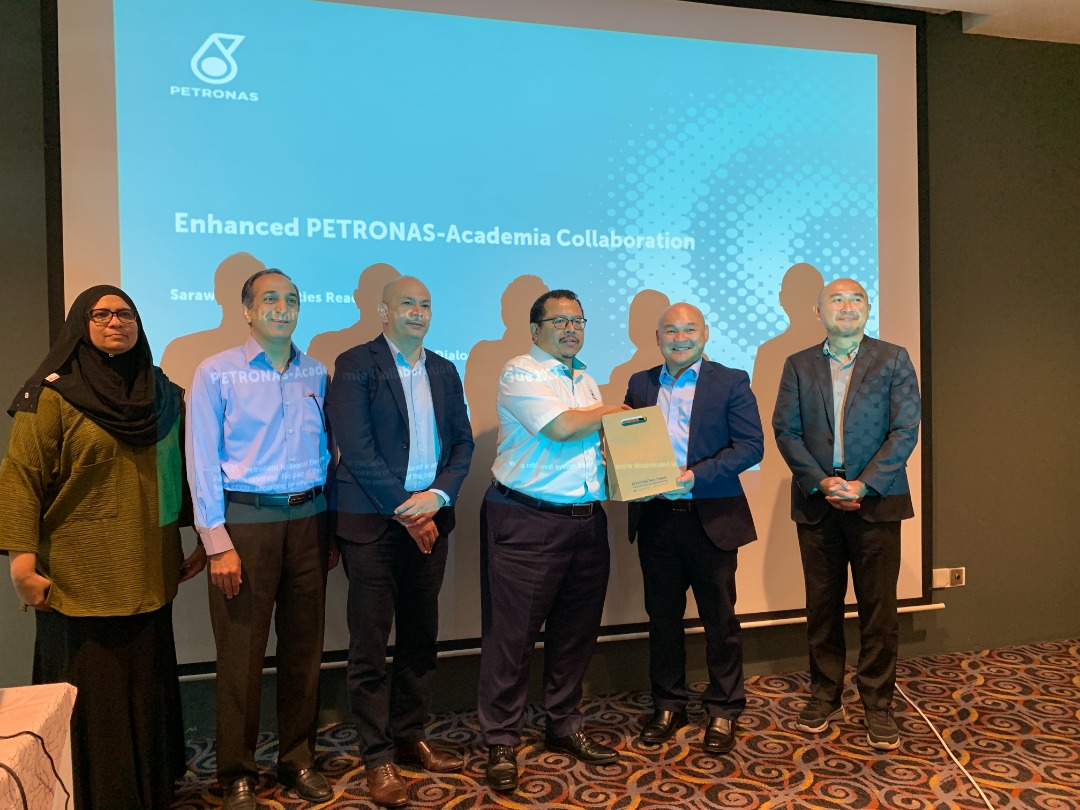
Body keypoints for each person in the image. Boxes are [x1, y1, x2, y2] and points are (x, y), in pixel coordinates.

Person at [0, 285, 206, 809]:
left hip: (150, 570)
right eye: (101, 314)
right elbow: (21, 477)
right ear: (80, 325)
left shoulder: (163, 393)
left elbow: (182, 471)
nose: (116, 322)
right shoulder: (52, 396)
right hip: (79, 578)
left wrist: (201, 536)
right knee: (96, 700)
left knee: (145, 690)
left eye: (126, 313)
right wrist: (21, 562)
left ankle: (149, 791)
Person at [187, 269, 334, 809]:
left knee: (304, 651)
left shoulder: (316, 372)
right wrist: (216, 543)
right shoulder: (216, 371)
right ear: (247, 310)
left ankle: (297, 759)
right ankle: (237, 773)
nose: (282, 307)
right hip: (245, 527)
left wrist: (329, 527)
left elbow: (327, 453)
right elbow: (202, 460)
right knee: (241, 657)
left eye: (291, 299)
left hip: (310, 520)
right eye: (270, 298)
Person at [325, 276, 474, 808]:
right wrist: (409, 512)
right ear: (384, 312)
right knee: (369, 646)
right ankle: (377, 756)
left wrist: (438, 495)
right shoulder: (355, 363)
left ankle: (411, 736)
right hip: (374, 526)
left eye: (425, 304)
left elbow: (462, 443)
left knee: (420, 637)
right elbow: (357, 450)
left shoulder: (444, 369)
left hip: (431, 518)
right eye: (407, 303)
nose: (417, 311)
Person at [477, 289, 628, 793]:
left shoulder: (584, 379)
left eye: (578, 321)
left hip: (585, 521)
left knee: (575, 632)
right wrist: (617, 412)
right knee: (512, 637)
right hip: (528, 520)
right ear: (535, 329)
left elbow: (590, 444)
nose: (570, 329)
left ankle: (564, 723)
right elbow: (562, 428)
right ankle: (501, 739)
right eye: (559, 321)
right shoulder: (521, 372)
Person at [772, 277, 920, 751]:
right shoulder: (798, 364)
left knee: (879, 610)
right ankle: (825, 694)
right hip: (818, 502)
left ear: (868, 309)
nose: (847, 306)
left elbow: (905, 429)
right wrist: (822, 483)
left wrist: (864, 484)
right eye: (836, 300)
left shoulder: (893, 358)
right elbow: (786, 431)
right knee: (822, 606)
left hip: (877, 500)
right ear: (819, 313)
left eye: (856, 299)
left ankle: (877, 703)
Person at [623, 302, 764, 754]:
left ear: (705, 334)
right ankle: (669, 704)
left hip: (711, 520)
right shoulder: (640, 383)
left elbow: (751, 446)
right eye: (670, 331)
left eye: (689, 330)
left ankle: (724, 707)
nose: (679, 338)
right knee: (662, 618)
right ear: (657, 337)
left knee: (720, 620)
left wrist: (696, 476)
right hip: (656, 520)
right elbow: (627, 444)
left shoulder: (731, 381)